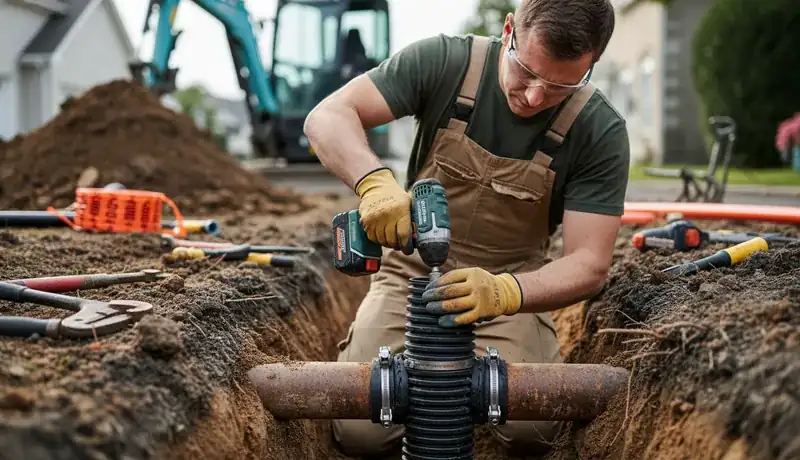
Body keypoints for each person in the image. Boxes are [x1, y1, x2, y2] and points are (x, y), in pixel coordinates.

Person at [303, 0, 628, 457]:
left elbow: (590, 263)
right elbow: (327, 117)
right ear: (509, 30)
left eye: (561, 85)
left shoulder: (599, 129)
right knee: (359, 431)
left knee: (533, 430)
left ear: (592, 64)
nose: (535, 97)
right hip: (410, 276)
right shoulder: (446, 62)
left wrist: (505, 292)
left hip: (510, 286)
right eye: (527, 72)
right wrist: (374, 183)